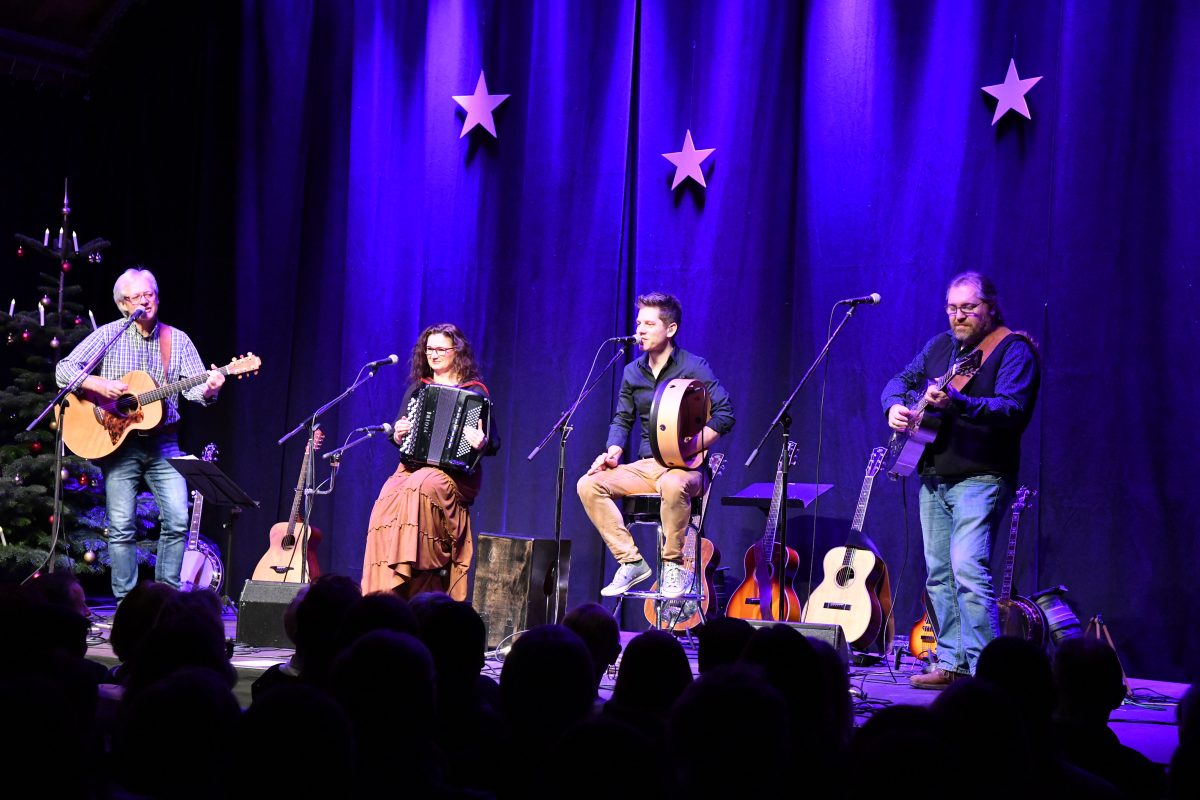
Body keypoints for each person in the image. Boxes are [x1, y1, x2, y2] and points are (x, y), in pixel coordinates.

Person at [881, 272, 1040, 689]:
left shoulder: (1012, 350)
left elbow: (1011, 410)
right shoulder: (939, 347)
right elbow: (900, 380)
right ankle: (952, 662)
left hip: (982, 475)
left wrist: (959, 402)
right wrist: (894, 407)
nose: (958, 316)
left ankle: (990, 674)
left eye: (968, 307)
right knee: (938, 575)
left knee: (968, 570)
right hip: (932, 474)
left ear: (990, 306)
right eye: (952, 308)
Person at [55, 268, 224, 601]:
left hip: (165, 443)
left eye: (150, 294)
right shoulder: (109, 335)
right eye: (136, 296)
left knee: (177, 520)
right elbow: (64, 370)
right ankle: (127, 605)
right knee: (121, 529)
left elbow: (194, 390)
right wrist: (98, 383)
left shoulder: (176, 340)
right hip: (118, 444)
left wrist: (210, 388)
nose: (145, 301)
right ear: (122, 304)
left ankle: (166, 600)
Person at [577, 292, 734, 599]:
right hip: (647, 463)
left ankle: (673, 565)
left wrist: (691, 448)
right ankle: (631, 561)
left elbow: (725, 415)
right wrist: (612, 452)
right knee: (589, 484)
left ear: (671, 329)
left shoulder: (694, 366)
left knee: (675, 485)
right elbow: (622, 419)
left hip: (686, 468)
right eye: (639, 323)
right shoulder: (632, 371)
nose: (641, 330)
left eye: (649, 323)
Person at [361, 323, 498, 600]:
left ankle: (413, 574)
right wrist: (399, 435)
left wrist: (480, 443)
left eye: (440, 349)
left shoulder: (476, 392)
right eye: (429, 349)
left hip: (455, 476)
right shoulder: (418, 389)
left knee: (421, 485)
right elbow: (400, 437)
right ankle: (380, 595)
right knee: (385, 501)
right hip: (413, 467)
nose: (433, 355)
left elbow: (493, 442)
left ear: (457, 351)